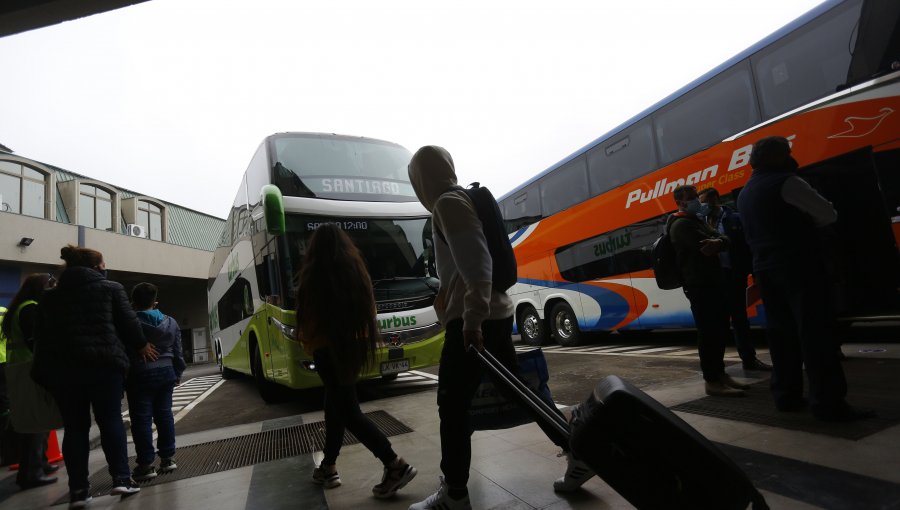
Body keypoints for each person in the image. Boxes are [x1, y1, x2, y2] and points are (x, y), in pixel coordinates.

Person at [407, 146, 592, 510]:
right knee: (519, 392)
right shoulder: (458, 199)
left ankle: (455, 494)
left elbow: (477, 264)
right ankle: (577, 449)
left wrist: (471, 320)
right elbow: (468, 267)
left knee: (452, 405)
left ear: (421, 179)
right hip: (491, 315)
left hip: (476, 321)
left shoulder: (446, 203)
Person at [737, 136, 875, 422]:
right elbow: (827, 214)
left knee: (781, 335)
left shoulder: (745, 192)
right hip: (798, 265)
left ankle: (786, 396)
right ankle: (829, 404)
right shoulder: (787, 182)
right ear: (778, 156)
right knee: (816, 334)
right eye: (788, 152)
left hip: (765, 270)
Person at [295, 223, 417, 499]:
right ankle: (328, 466)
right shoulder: (355, 272)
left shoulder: (315, 275)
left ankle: (394, 463)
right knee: (335, 406)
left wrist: (309, 345)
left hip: (326, 349)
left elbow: (308, 321)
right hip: (352, 346)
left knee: (348, 410)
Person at [32, 245, 158, 508]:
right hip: (105, 365)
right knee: (110, 419)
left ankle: (78, 490)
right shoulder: (111, 289)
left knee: (75, 428)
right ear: (97, 267)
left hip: (64, 372)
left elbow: (42, 339)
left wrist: (41, 374)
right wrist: (141, 345)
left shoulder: (50, 297)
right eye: (103, 263)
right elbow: (128, 323)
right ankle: (122, 479)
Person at [669, 184, 749, 397]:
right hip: (700, 286)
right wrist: (718, 242)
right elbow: (706, 247)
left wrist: (719, 241)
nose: (697, 200)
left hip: (714, 283)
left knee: (720, 330)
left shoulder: (696, 221)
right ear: (680, 202)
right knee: (709, 333)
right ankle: (711, 381)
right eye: (692, 197)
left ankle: (720, 374)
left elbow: (724, 240)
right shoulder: (681, 225)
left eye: (696, 196)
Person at [698, 187, 772, 372]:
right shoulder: (701, 223)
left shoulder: (735, 218)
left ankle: (749, 359)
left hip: (734, 275)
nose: (702, 206)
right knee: (718, 323)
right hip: (714, 279)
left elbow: (748, 245)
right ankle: (718, 368)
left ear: (715, 199)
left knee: (740, 319)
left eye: (705, 201)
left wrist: (754, 272)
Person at [1, 273, 60, 490]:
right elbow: (36, 342)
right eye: (51, 287)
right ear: (41, 288)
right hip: (30, 370)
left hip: (23, 369)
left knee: (38, 421)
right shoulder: (31, 308)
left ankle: (40, 464)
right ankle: (31, 472)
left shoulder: (23, 306)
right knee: (35, 423)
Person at [126, 282, 186, 482]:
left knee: (142, 419)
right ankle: (168, 458)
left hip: (139, 374)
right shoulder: (171, 322)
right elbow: (178, 351)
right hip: (167, 372)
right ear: (155, 302)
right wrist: (177, 372)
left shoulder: (129, 323)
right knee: (165, 415)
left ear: (133, 302)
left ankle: (146, 464)